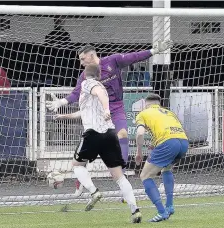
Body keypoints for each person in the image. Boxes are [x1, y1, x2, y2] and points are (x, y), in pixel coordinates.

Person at [47, 40, 173, 196]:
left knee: (123, 135)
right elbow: (76, 93)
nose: (81, 63)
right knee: (88, 148)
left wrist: (154, 51)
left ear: (91, 55)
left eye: (82, 59)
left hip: (117, 108)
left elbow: (134, 57)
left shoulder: (112, 61)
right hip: (98, 114)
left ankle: (123, 173)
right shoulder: (84, 75)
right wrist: (61, 102)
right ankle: (80, 183)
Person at [54, 64, 142, 223]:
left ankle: (94, 192)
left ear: (84, 76)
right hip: (109, 135)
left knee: (77, 165)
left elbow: (98, 91)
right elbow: (83, 112)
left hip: (93, 134)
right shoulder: (92, 93)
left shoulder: (89, 84)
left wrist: (107, 110)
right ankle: (135, 210)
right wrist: (64, 116)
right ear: (100, 74)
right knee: (119, 177)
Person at [134, 94, 188, 222]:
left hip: (168, 142)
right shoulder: (169, 112)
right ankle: (169, 206)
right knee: (166, 169)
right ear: (159, 103)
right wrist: (154, 144)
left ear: (145, 105)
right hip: (183, 142)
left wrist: (139, 152)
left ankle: (162, 212)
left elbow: (140, 133)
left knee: (145, 176)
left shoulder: (144, 113)